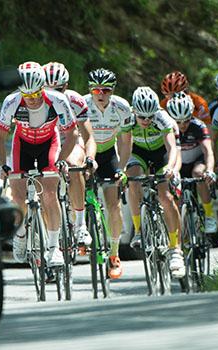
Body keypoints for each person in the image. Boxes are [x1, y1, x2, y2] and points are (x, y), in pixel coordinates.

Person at [0, 61, 79, 266]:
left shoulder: (57, 100)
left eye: (36, 94)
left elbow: (72, 134)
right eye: (27, 96)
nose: (32, 100)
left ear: (43, 88)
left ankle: (54, 247)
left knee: (50, 193)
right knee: (17, 195)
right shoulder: (11, 101)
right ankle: (21, 234)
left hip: (49, 143)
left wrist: (60, 161)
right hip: (21, 144)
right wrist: (2, 166)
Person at [125, 86, 184, 278]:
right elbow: (124, 146)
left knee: (166, 197)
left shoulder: (162, 118)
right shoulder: (128, 118)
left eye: (150, 116)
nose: (146, 121)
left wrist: (171, 168)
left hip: (162, 156)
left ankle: (175, 248)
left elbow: (172, 148)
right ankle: (138, 230)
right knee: (133, 180)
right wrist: (120, 169)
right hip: (139, 153)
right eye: (142, 117)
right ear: (135, 111)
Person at [83, 68, 132, 279]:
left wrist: (122, 168)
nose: (100, 94)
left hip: (109, 155)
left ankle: (114, 254)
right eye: (96, 91)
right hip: (88, 154)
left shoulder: (121, 107)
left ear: (112, 91)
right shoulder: (82, 105)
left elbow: (126, 140)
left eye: (105, 90)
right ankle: (80, 231)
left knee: (114, 205)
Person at [43, 61, 97, 249]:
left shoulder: (75, 101)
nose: (52, 94)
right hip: (48, 142)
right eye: (46, 89)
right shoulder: (36, 101)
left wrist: (90, 158)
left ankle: (80, 225)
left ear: (66, 86)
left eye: (57, 89)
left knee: (74, 166)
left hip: (71, 140)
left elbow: (88, 136)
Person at [166, 92, 217, 234]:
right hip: (178, 163)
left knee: (199, 173)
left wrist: (210, 170)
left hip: (197, 160)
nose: (182, 125)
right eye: (178, 121)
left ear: (191, 116)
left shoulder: (198, 126)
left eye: (186, 120)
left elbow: (208, 151)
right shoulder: (167, 127)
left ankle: (209, 216)